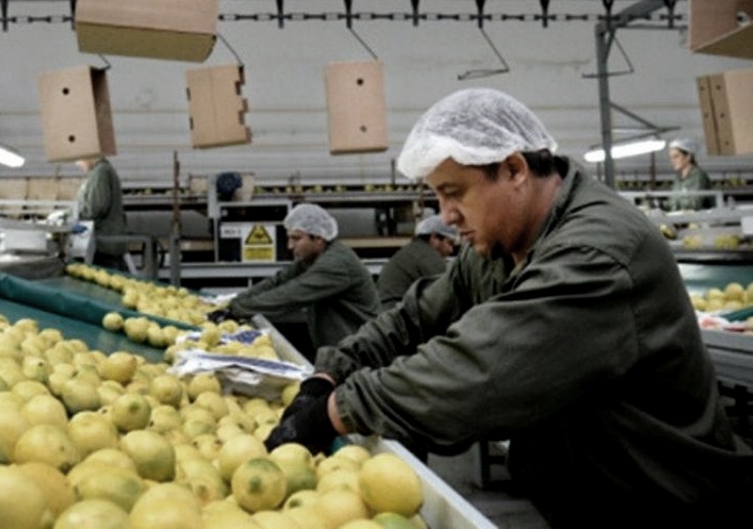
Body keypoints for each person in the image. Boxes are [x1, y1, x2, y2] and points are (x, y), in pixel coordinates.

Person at [264, 88, 753, 527]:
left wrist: (336, 411)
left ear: (515, 169)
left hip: (667, 504)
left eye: (454, 193)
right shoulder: (500, 245)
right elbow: (413, 317)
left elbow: (479, 371)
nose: (448, 216)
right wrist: (329, 373)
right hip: (591, 496)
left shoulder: (596, 254)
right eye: (438, 195)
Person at [210, 203, 380, 361]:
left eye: (296, 239)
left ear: (319, 238)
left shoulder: (336, 264)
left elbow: (292, 294)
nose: (290, 246)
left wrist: (238, 309)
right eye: (289, 238)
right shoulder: (313, 259)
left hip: (361, 352)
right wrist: (234, 303)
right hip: (340, 349)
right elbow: (278, 281)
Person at [376, 214, 457, 310]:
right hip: (399, 315)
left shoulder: (410, 252)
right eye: (450, 243)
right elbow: (448, 294)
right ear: (434, 237)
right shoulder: (428, 257)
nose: (451, 250)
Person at [74, 155, 127, 270]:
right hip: (105, 243)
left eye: (79, 159)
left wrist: (72, 217)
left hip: (104, 244)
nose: (78, 164)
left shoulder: (100, 172)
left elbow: (96, 207)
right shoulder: (99, 171)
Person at [666, 137, 714, 211]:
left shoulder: (698, 175)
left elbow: (695, 204)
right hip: (683, 219)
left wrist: (675, 204)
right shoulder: (678, 178)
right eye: (671, 158)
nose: (672, 161)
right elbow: (672, 200)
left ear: (688, 157)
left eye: (676, 157)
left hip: (702, 220)